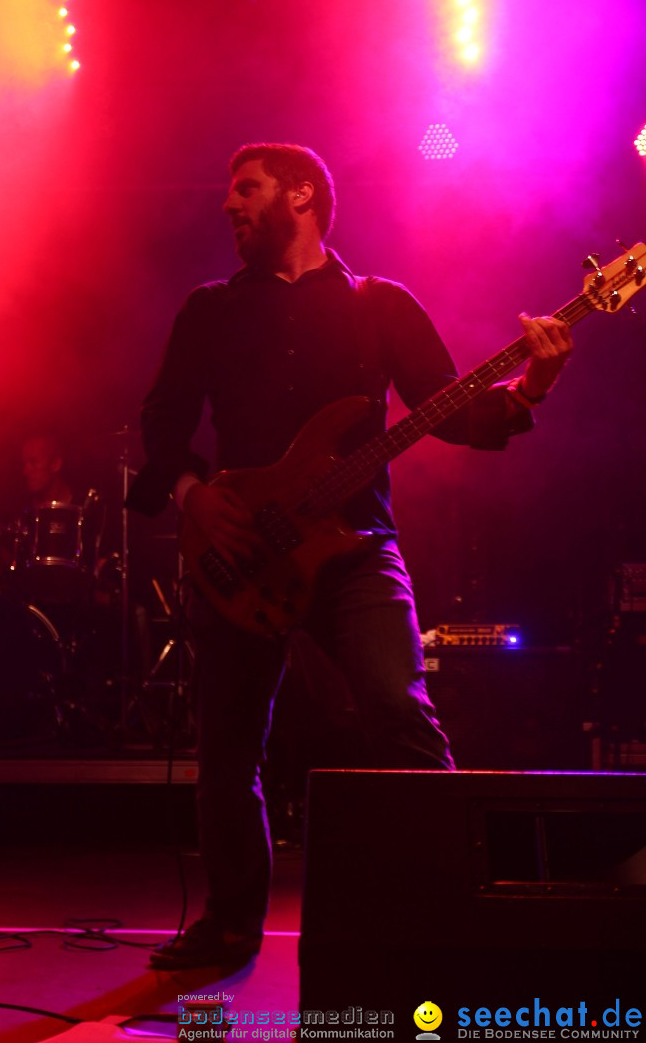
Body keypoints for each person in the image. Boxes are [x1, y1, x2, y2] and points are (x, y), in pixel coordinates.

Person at [126, 142, 573, 970]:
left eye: (245, 190)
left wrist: (534, 387)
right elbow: (161, 423)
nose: (228, 205)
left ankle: (451, 911)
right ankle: (228, 925)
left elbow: (454, 415)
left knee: (398, 712)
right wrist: (194, 497)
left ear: (302, 196)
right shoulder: (209, 310)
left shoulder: (380, 305)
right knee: (227, 749)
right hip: (241, 556)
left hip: (356, 549)